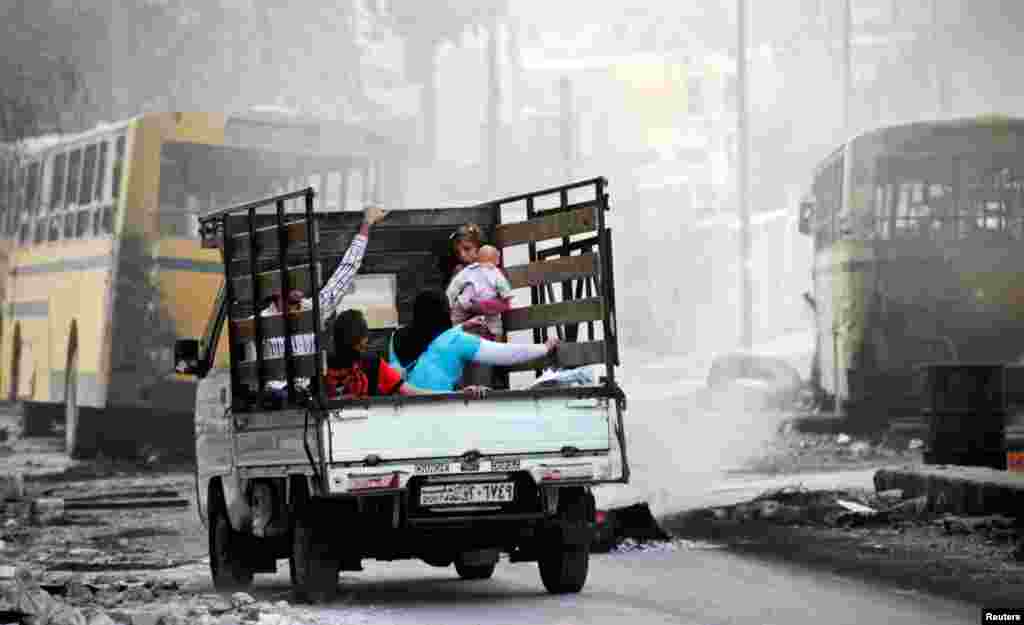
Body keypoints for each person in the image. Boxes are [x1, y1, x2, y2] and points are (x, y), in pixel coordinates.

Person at [242, 204, 388, 361]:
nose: (301, 282)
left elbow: (346, 271)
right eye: (293, 277)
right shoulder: (256, 323)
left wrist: (366, 224)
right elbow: (252, 375)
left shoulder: (315, 309)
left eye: (302, 275)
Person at [388, 291, 559, 393]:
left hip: (400, 407)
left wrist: (462, 326)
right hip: (437, 408)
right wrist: (544, 348)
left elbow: (432, 343)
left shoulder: (396, 337)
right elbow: (505, 354)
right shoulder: (456, 341)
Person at [325, 309, 467, 399]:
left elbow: (409, 391)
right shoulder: (371, 363)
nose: (365, 341)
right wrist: (458, 394)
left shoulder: (322, 365)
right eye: (363, 336)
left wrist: (457, 394)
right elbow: (410, 391)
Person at [445, 244, 513, 341]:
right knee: (494, 324)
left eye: (467, 249)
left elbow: (454, 286)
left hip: (466, 303)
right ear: (496, 260)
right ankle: (496, 334)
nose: (462, 255)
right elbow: (504, 288)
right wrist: (507, 295)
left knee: (455, 318)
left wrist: (449, 302)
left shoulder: (469, 270)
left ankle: (451, 331)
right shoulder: (496, 273)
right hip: (484, 305)